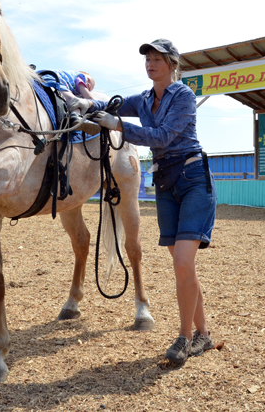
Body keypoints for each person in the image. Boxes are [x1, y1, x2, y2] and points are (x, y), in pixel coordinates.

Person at [73, 39, 217, 365]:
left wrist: (119, 126)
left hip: (193, 181)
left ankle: (184, 339)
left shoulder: (183, 96)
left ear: (172, 64)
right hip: (166, 185)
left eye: (157, 59)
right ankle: (204, 335)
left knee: (182, 263)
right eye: (147, 59)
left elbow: (162, 136)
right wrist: (80, 98)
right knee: (184, 266)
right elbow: (110, 104)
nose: (150, 64)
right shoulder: (145, 99)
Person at [37, 69, 101, 134]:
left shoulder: (72, 84)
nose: (88, 85)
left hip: (40, 76)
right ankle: (76, 118)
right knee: (76, 102)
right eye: (89, 81)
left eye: (89, 88)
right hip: (54, 80)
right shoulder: (80, 77)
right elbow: (89, 97)